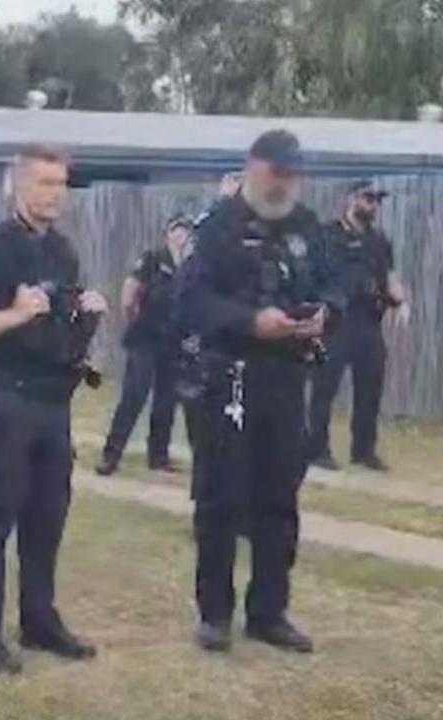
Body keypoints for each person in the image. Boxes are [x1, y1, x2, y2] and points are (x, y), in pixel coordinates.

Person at [0, 146, 108, 676]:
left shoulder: (61, 250)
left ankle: (39, 620)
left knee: (46, 519)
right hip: (8, 400)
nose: (54, 193)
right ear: (18, 185)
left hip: (54, 404)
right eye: (44, 182)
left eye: (61, 183)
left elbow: (56, 317)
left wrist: (85, 312)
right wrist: (11, 314)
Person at [177, 130, 346, 655]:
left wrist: (324, 313)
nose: (285, 183)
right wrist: (251, 321)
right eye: (277, 172)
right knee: (221, 498)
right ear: (253, 167)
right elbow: (190, 303)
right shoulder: (216, 228)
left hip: (285, 377)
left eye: (292, 173)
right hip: (229, 376)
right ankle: (215, 614)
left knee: (278, 499)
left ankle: (269, 612)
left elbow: (334, 282)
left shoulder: (305, 226)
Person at [307, 180, 409, 472]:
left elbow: (388, 276)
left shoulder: (378, 241)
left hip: (367, 321)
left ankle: (363, 450)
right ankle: (316, 448)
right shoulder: (327, 235)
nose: (373, 205)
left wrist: (400, 302)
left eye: (377, 200)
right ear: (351, 199)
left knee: (370, 387)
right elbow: (312, 275)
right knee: (324, 388)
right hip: (334, 321)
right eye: (368, 198)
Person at [96, 214, 193, 476]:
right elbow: (130, 291)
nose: (180, 235)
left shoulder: (189, 265)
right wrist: (134, 317)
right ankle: (111, 455)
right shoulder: (153, 258)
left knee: (166, 400)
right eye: (176, 230)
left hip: (174, 341)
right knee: (134, 397)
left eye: (185, 231)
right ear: (167, 233)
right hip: (146, 338)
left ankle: (158, 456)